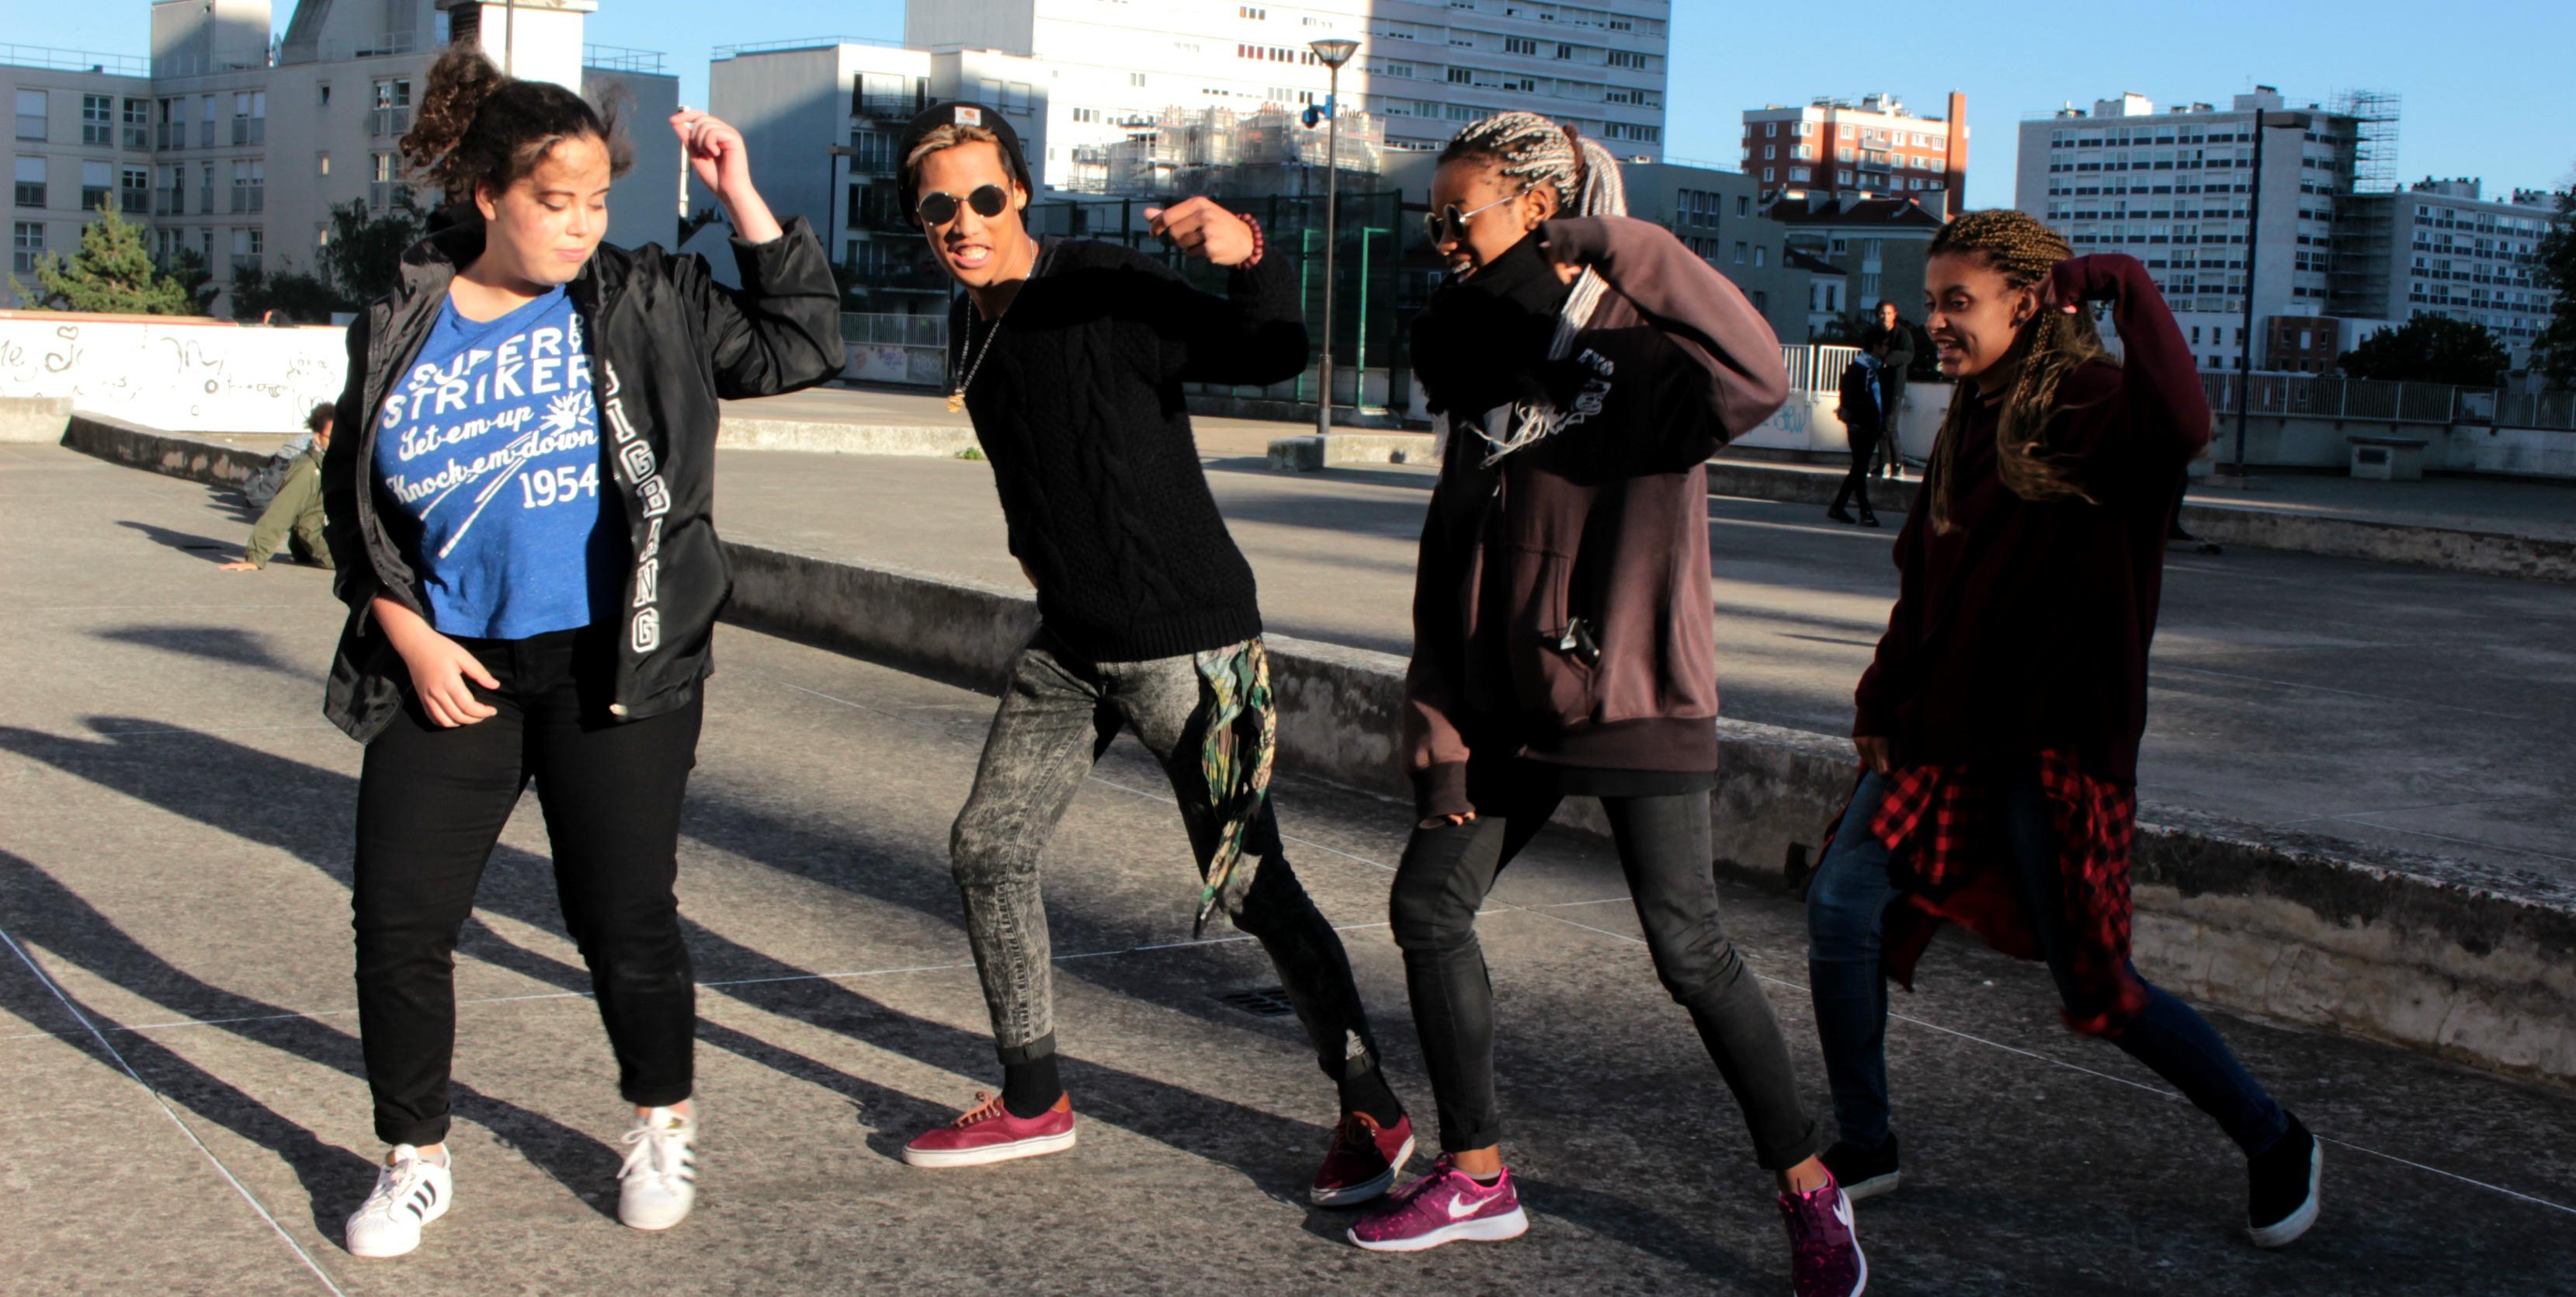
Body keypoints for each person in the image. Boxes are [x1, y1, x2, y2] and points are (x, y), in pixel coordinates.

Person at [318, 47, 842, 1258]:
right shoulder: (398, 320)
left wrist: (739, 194)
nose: (579, 225)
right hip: (446, 665)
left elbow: (798, 343)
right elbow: (354, 508)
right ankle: (413, 1157)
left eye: (598, 199)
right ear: (487, 194)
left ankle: (659, 1120)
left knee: (620, 915)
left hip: (617, 664)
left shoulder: (643, 296)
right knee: (396, 920)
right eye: (555, 202)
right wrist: (404, 627)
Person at [1354, 111, 1864, 1297]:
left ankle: (1806, 1185)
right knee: (1430, 905)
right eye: (1430, 218)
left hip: (1632, 686)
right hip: (1502, 703)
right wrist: (1436, 728)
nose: (1438, 239)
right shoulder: (1480, 348)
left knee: (1687, 949)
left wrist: (1610, 239)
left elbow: (1759, 373)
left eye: (1455, 214)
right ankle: (1475, 1174)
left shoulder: (1650, 349)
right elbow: (1450, 551)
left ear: (1537, 207)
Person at [887, 100, 1417, 1208]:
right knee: (987, 845)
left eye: (984, 197)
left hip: (1192, 644)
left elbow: (1271, 352)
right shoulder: (968, 320)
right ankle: (1032, 1095)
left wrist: (1252, 255)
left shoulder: (1105, 282)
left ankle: (1373, 1106)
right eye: (939, 206)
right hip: (1069, 649)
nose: (964, 221)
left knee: (1247, 882)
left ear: (1020, 193)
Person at [1804, 210, 2321, 1250]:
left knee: (2098, 984)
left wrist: (2124, 279)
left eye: (1960, 302)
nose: (1937, 321)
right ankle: (1867, 1139)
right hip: (1937, 735)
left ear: (2030, 301)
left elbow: (2183, 425)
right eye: (1933, 298)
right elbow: (1926, 578)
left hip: (2048, 748)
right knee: (1839, 905)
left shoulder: (2091, 409)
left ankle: (2273, 1137)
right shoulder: (1965, 415)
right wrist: (1877, 698)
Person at [220, 402, 337, 572]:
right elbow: (281, 512)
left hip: (324, 540)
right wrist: (256, 557)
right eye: (331, 438)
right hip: (328, 549)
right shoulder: (307, 469)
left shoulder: (331, 462)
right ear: (317, 437)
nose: (337, 442)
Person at [1828, 329, 1888, 528]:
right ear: (1875, 347)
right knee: (1860, 469)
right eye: (1884, 345)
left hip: (1869, 428)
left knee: (1858, 469)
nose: (1887, 349)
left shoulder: (1875, 369)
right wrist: (1864, 420)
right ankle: (1865, 511)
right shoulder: (1858, 370)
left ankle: (1838, 507)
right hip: (1860, 428)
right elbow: (1851, 400)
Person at [1871, 301, 1914, 479]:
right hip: (1880, 383)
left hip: (1896, 384)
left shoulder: (1903, 334)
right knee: (1881, 425)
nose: (1885, 317)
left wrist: (1889, 359)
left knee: (1890, 424)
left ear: (1895, 314)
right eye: (1882, 313)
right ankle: (1883, 465)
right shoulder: (1875, 334)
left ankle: (1897, 466)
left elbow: (1909, 355)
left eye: (1888, 313)